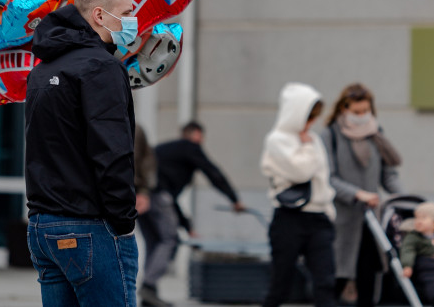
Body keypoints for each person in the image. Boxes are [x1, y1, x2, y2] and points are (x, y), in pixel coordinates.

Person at [24, 0, 141, 307]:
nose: (133, 21)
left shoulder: (42, 69)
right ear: (100, 15)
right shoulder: (100, 67)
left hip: (43, 225)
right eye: (127, 12)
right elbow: (112, 150)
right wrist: (123, 222)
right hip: (90, 226)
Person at [138, 121, 246, 307]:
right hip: (155, 197)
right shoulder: (190, 147)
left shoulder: (169, 152)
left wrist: (188, 227)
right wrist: (234, 199)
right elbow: (212, 172)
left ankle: (150, 294)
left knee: (154, 242)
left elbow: (171, 199)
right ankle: (148, 286)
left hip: (141, 195)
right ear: (197, 135)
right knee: (169, 240)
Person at [321, 83, 403, 306]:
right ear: (343, 109)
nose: (361, 116)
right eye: (356, 112)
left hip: (372, 222)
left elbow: (389, 176)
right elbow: (328, 178)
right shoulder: (330, 135)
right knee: (336, 280)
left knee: (369, 280)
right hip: (343, 220)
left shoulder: (376, 134)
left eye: (365, 111)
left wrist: (405, 199)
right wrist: (358, 194)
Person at [261, 82, 337, 307]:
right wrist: (306, 148)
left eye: (314, 117)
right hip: (289, 217)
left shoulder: (313, 139)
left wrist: (328, 212)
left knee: (325, 282)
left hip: (319, 218)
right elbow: (301, 172)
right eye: (308, 116)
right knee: (281, 284)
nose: (310, 122)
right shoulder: (277, 139)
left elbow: (323, 178)